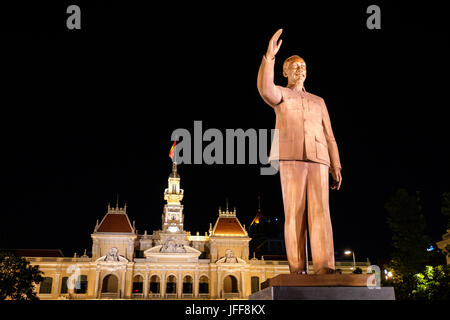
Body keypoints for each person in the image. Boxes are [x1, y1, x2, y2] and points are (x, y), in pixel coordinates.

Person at [257, 29, 342, 275]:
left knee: (321, 212)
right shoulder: (281, 95)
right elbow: (265, 88)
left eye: (303, 66)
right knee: (295, 212)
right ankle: (297, 269)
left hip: (319, 158)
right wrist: (269, 57)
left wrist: (336, 165)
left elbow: (330, 136)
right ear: (285, 72)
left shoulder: (319, 101)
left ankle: (325, 267)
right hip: (291, 156)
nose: (299, 69)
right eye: (294, 66)